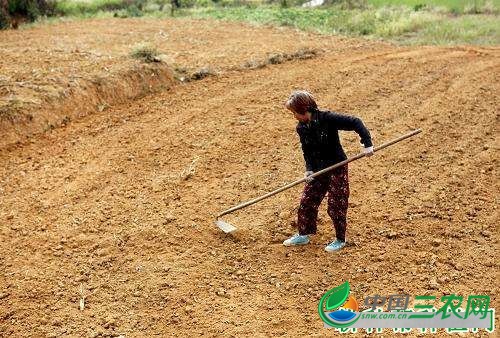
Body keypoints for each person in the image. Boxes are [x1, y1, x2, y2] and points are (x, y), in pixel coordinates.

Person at [283, 90, 374, 252]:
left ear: (305, 110)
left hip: (337, 167)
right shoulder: (301, 127)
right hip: (319, 170)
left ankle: (340, 239)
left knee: (336, 204)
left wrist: (367, 144)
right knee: (307, 201)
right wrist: (309, 170)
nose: (294, 116)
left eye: (295, 113)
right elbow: (307, 150)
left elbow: (355, 122)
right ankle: (303, 235)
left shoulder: (327, 119)